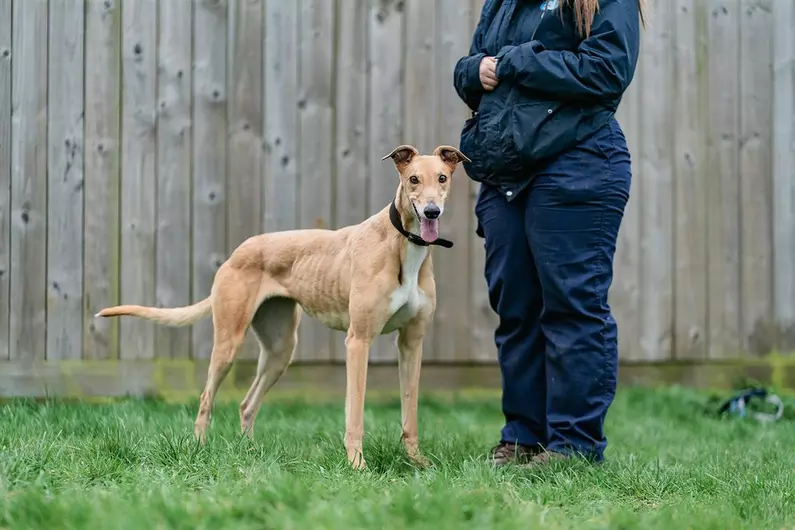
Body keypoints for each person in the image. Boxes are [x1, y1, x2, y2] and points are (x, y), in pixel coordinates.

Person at [453, 0, 645, 467]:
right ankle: (523, 437)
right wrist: (473, 70)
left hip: (578, 159)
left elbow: (607, 69)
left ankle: (575, 446)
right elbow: (474, 66)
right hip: (506, 172)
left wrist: (518, 60)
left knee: (571, 306)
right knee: (516, 308)